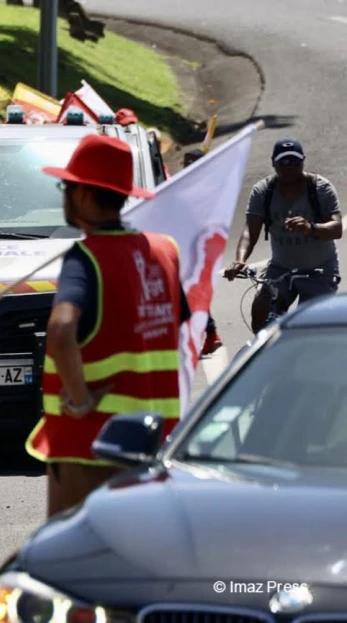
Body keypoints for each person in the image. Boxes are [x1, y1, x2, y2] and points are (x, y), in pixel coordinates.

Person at [26, 134, 190, 519]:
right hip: (153, 441)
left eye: (66, 186)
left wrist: (80, 399)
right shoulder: (164, 251)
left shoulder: (85, 258)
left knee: (74, 561)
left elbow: (62, 330)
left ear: (83, 194)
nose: (63, 195)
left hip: (91, 446)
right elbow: (177, 320)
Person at [224, 138, 342, 332]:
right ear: (273, 163)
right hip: (281, 270)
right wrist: (240, 260)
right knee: (260, 310)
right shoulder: (263, 191)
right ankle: (266, 355)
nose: (290, 167)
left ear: (303, 161)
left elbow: (336, 228)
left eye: (295, 162)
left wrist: (310, 227)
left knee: (312, 325)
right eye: (284, 162)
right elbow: (249, 231)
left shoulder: (320, 188)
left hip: (319, 271)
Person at [182, 148, 223, 355]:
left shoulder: (207, 188)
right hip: (188, 246)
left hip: (199, 248)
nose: (186, 167)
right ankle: (210, 334)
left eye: (191, 163)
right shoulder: (187, 186)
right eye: (185, 163)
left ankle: (208, 334)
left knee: (189, 292)